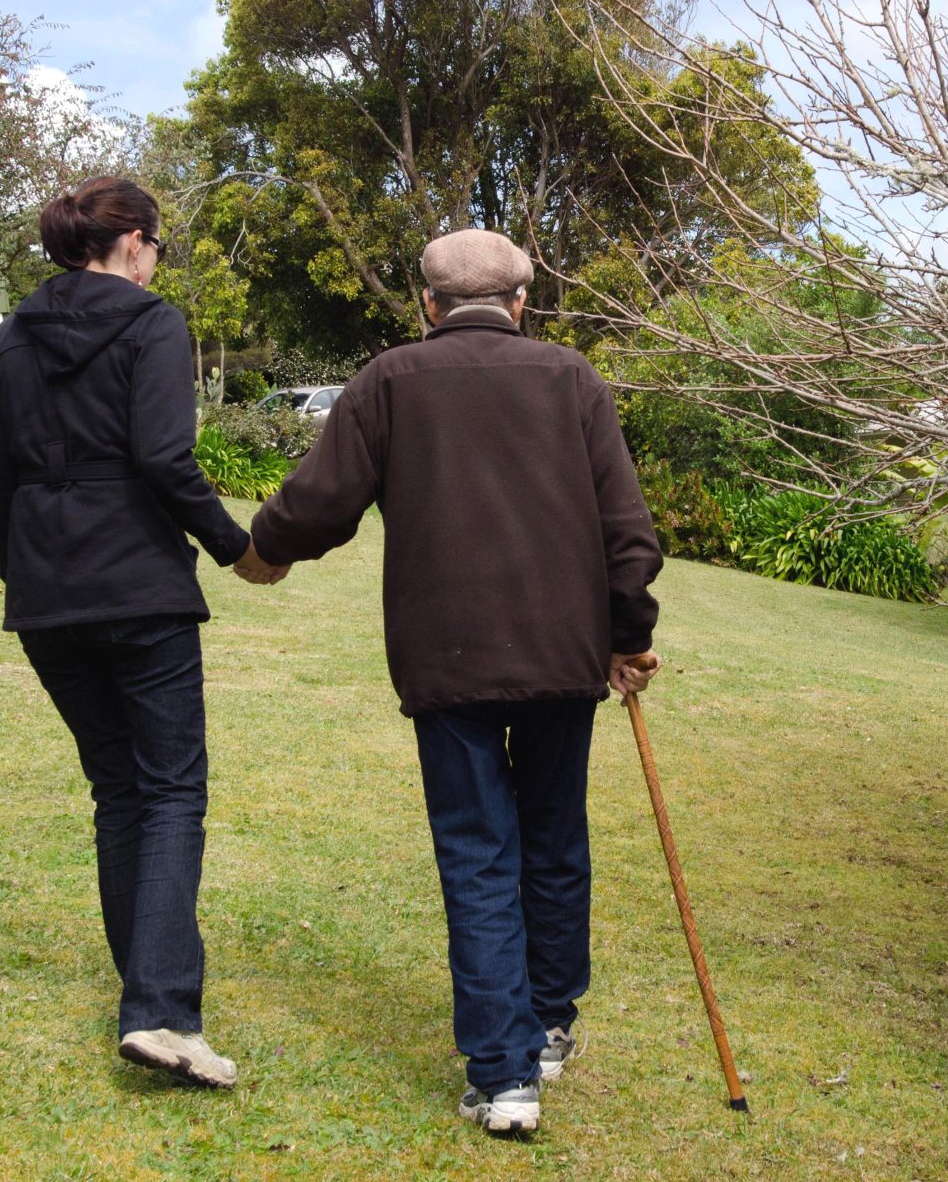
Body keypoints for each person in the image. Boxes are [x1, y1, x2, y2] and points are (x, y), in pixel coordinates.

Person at [246, 227, 664, 1134]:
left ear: (427, 303)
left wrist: (264, 550)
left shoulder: (389, 378)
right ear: (521, 302)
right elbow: (625, 529)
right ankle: (547, 1025)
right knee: (553, 839)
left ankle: (507, 1074)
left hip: (448, 659)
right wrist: (625, 635)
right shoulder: (572, 378)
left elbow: (320, 502)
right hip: (563, 656)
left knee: (478, 854)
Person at [0, 176, 281, 1089]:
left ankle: (147, 1000)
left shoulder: (5, 338)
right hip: (139, 590)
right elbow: (162, 457)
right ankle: (160, 1012)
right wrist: (236, 547)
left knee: (120, 792)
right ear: (136, 243)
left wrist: (17, 567)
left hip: (47, 592)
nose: (157, 261)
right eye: (158, 246)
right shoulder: (152, 323)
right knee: (172, 790)